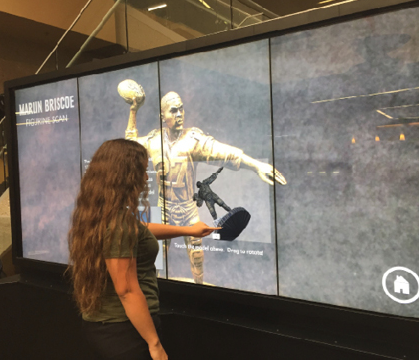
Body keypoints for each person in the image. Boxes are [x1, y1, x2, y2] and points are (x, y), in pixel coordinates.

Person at [68, 139, 219, 360]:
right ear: (125, 175)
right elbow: (127, 291)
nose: (147, 178)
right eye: (142, 171)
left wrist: (189, 230)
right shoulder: (118, 225)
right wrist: (154, 343)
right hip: (125, 332)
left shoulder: (103, 216)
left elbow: (140, 230)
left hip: (108, 328)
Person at [125, 91, 287, 284]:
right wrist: (133, 111)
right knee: (157, 258)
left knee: (197, 257)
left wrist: (256, 165)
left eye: (181, 109)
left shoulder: (193, 140)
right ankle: (156, 291)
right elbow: (129, 144)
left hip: (187, 209)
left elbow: (225, 153)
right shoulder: (153, 141)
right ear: (163, 116)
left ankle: (200, 290)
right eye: (174, 111)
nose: (179, 115)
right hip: (165, 209)